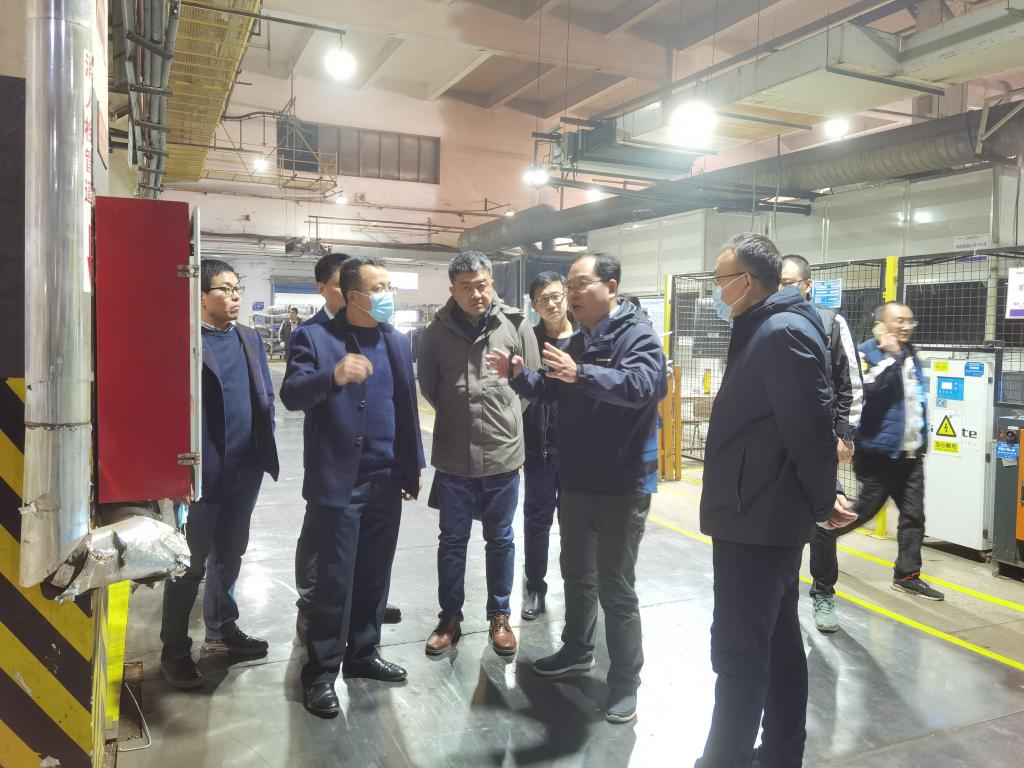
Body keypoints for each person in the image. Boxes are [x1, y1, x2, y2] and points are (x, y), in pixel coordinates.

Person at [489, 253, 667, 725]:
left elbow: (643, 387)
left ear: (612, 286)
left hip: (621, 483)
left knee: (615, 586)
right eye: (569, 285)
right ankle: (576, 649)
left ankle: (625, 683)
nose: (571, 294)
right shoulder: (582, 338)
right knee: (576, 572)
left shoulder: (637, 335)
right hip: (577, 479)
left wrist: (581, 373)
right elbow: (552, 390)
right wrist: (518, 375)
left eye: (581, 284)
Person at [696, 234, 851, 768]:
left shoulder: (780, 332)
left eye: (720, 280)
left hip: (757, 521)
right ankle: (782, 754)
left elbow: (809, 429)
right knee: (780, 646)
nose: (717, 290)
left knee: (738, 655)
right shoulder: (765, 327)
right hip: (759, 513)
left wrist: (824, 499)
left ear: (745, 282)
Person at [280, 256, 424, 718]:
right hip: (341, 483)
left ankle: (363, 653)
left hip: (387, 478)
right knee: (334, 582)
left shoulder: (395, 340)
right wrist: (334, 376)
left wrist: (411, 467)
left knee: (374, 575)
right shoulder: (315, 337)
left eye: (389, 286)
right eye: (379, 288)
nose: (387, 295)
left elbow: (406, 405)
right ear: (353, 295)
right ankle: (321, 672)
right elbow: (292, 394)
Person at [159, 259, 280, 689]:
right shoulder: (184, 342)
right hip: (201, 477)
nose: (234, 296)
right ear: (201, 296)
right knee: (189, 566)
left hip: (245, 472)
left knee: (230, 555)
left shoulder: (250, 338)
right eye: (224, 289)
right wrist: (176, 475)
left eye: (236, 289)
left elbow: (264, 396)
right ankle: (174, 651)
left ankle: (222, 628)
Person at [417, 251, 540, 658]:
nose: (476, 294)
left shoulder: (517, 325)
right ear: (453, 290)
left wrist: (504, 420)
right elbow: (430, 388)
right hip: (454, 456)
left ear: (493, 284)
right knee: (452, 541)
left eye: (482, 284)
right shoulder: (435, 332)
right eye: (466, 287)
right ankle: (449, 617)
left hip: (502, 456)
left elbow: (529, 386)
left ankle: (500, 615)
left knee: (500, 539)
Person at [818, 301, 944, 602]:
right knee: (863, 510)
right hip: (878, 453)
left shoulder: (910, 353)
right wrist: (890, 357)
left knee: (914, 516)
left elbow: (914, 400)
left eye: (909, 321)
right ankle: (822, 535)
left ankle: (907, 575)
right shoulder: (867, 353)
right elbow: (867, 390)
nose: (905, 326)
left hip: (910, 454)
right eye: (899, 320)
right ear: (881, 324)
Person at [780, 254, 864, 632]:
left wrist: (844, 434)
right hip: (781, 443)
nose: (782, 289)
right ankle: (781, 593)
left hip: (820, 441)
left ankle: (823, 594)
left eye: (789, 283)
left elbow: (850, 383)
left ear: (807, 285)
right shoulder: (769, 319)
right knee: (781, 519)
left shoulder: (831, 323)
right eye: (778, 282)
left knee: (823, 520)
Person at [520, 271, 574, 620]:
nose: (552, 304)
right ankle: (535, 586)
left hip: (579, 453)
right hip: (539, 451)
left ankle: (578, 588)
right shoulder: (530, 341)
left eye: (556, 296)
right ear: (535, 306)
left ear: (565, 295)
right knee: (537, 521)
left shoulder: (585, 338)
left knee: (576, 524)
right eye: (544, 299)